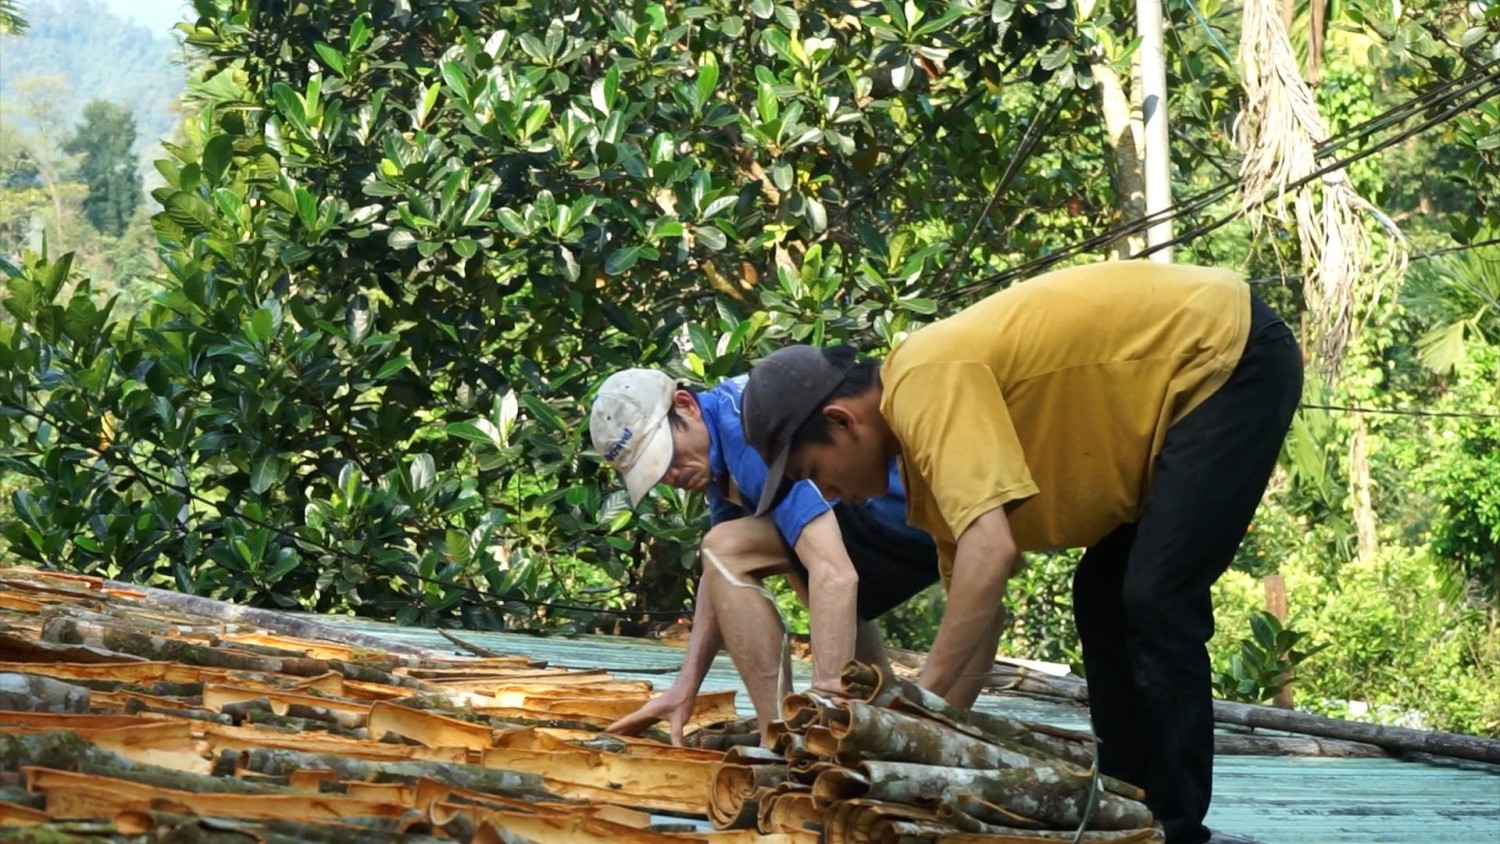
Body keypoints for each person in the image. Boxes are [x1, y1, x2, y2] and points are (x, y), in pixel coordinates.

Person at [740, 260, 1302, 844]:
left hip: (1225, 357)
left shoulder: (923, 381)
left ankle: (1177, 829)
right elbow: (980, 613)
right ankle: (1130, 808)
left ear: (842, 421)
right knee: (1102, 595)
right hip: (1187, 380)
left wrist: (909, 708)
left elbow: (990, 552)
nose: (829, 495)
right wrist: (919, 747)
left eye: (815, 472)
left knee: (1155, 596)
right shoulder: (925, 461)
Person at [587, 368, 940, 745]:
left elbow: (835, 573)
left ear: (686, 405)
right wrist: (683, 688)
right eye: (655, 473)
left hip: (904, 512)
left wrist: (826, 695)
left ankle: (784, 735)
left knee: (759, 547)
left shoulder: (747, 432)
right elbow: (718, 573)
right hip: (881, 519)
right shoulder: (717, 439)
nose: (671, 476)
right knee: (741, 546)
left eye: (666, 457)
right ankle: (877, 705)